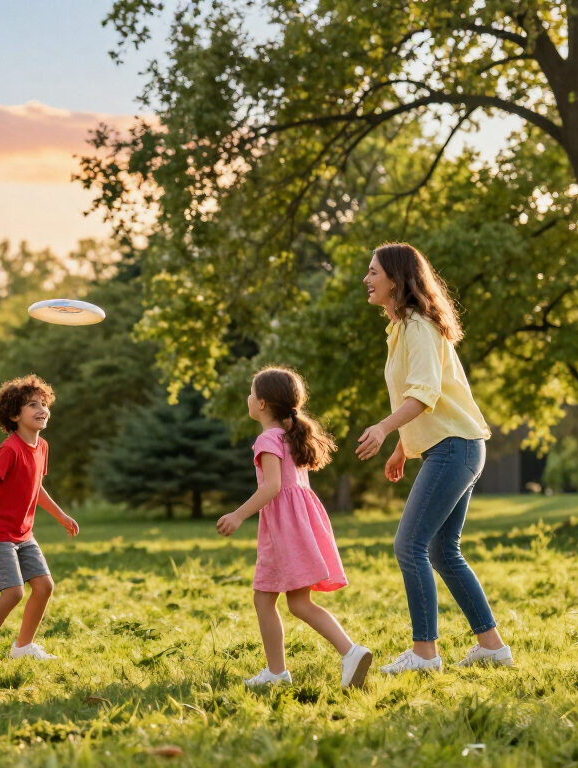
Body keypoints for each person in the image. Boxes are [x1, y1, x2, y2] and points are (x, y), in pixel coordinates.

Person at [356, 242, 513, 674]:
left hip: (454, 448)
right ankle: (492, 647)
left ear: (395, 278)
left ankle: (424, 654)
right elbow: (429, 397)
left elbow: (423, 395)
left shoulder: (418, 327)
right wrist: (403, 448)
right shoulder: (403, 328)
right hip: (454, 447)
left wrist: (386, 427)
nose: (366, 280)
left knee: (410, 546)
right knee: (444, 552)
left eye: (373, 272)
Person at [216, 366, 373, 689]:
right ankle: (347, 652)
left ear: (261, 404)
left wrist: (238, 514)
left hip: (284, 533)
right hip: (301, 527)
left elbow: (272, 487)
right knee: (296, 603)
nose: (248, 397)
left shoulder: (267, 439)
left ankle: (282, 672)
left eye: (251, 392)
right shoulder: (291, 437)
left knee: (267, 600)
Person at [0, 375, 79, 667]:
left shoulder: (41, 447)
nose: (41, 409)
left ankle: (23, 647)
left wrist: (61, 515)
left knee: (44, 586)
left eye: (43, 404)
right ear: (15, 415)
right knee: (13, 592)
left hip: (24, 533)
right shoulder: (9, 449)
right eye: (31, 405)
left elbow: (35, 487)